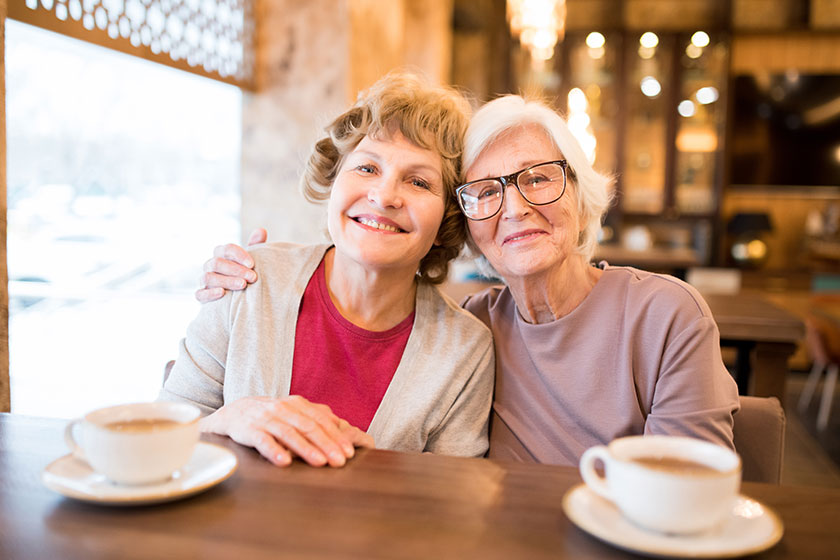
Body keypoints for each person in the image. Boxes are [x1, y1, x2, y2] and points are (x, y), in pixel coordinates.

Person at [198, 94, 740, 467]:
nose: (517, 207)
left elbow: (689, 486)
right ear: (467, 222)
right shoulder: (477, 328)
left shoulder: (662, 315)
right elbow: (177, 412)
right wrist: (243, 283)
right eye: (486, 190)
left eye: (539, 178)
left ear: (579, 192)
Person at [162, 73, 495, 469]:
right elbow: (161, 436)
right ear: (335, 179)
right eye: (368, 168)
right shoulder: (249, 278)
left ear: (446, 221)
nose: (384, 196)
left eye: (418, 182)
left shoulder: (464, 350)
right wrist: (226, 420)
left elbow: (451, 506)